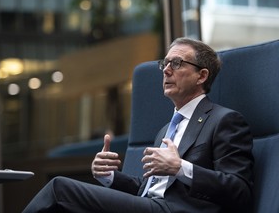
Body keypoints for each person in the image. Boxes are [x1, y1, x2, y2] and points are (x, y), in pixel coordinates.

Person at [23, 38, 253, 213]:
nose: (166, 69)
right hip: (151, 205)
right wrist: (109, 176)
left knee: (60, 188)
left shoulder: (224, 120)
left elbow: (240, 191)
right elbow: (148, 188)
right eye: (165, 63)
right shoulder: (166, 129)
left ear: (201, 76)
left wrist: (180, 167)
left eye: (177, 63)